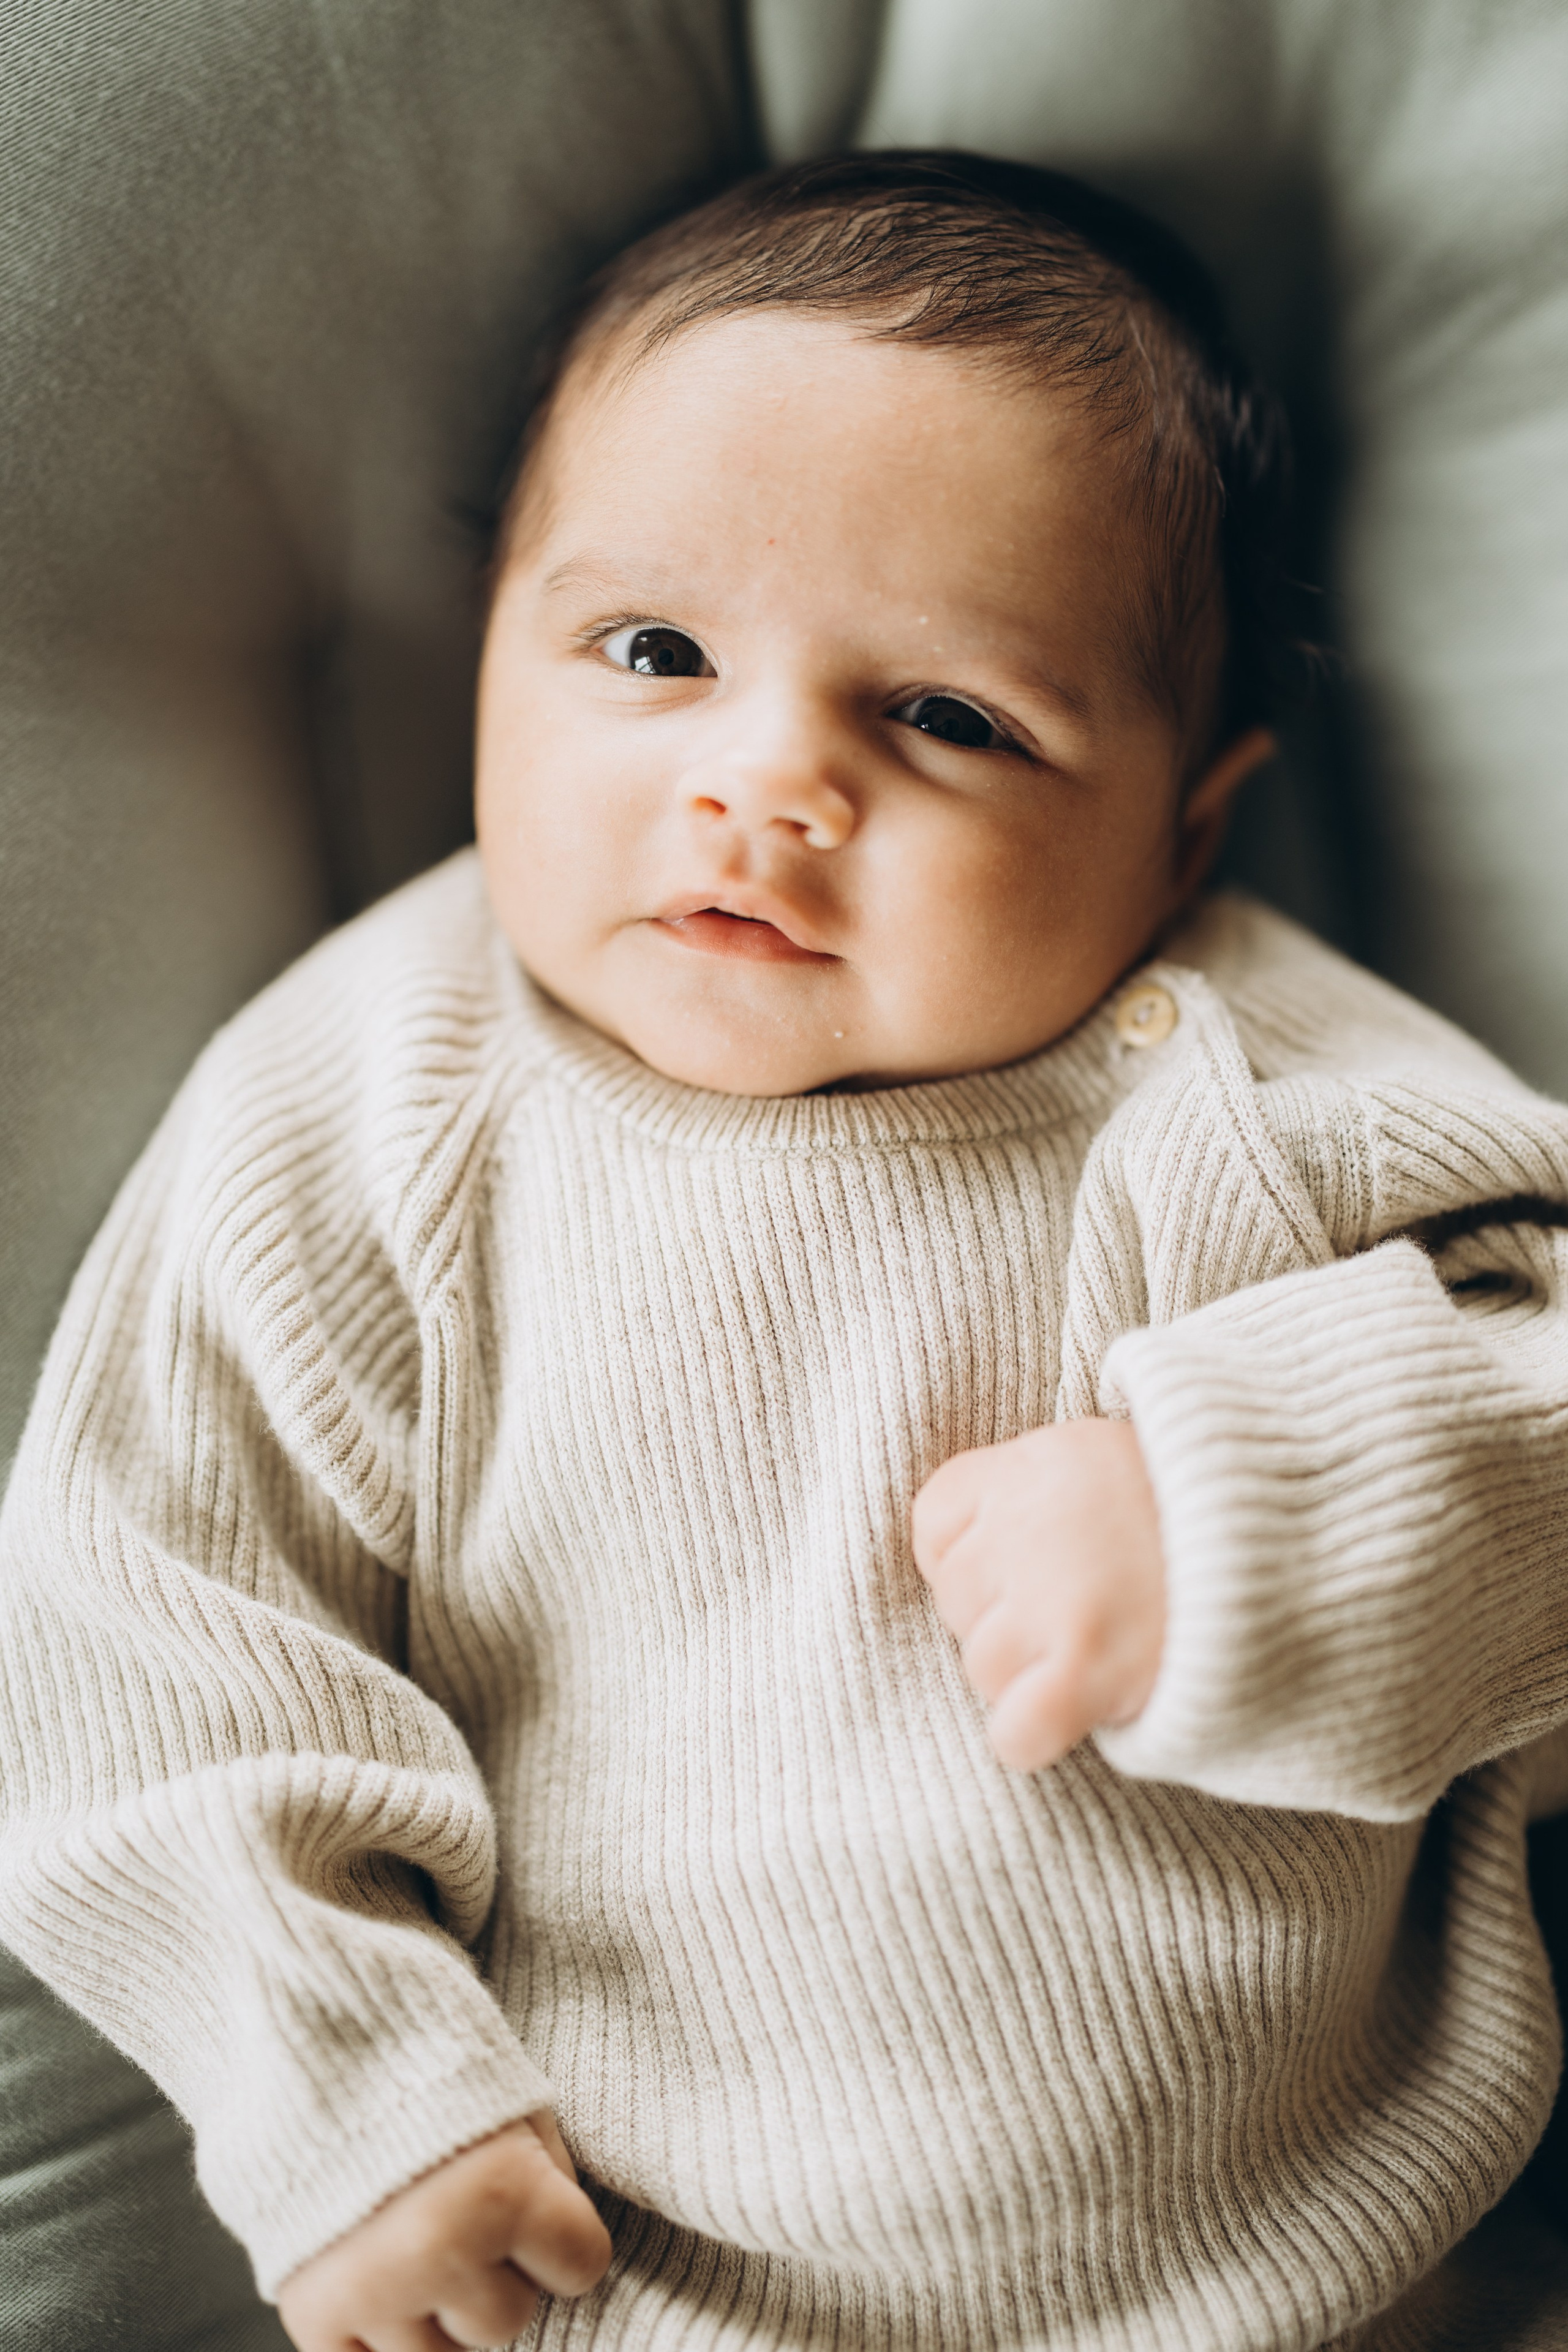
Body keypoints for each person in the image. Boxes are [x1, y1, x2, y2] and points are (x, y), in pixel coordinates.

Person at [3, 152, 1567, 2352]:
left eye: (949, 717)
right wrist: (346, 2092)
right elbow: (145, 1626)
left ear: (1186, 818)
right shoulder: (380, 1101)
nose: (765, 785)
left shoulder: (1248, 1075)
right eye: (653, 651)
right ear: (491, 661)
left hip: (1356, 2262)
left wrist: (1252, 1514)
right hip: (631, 2281)